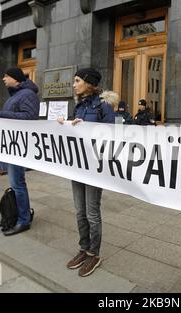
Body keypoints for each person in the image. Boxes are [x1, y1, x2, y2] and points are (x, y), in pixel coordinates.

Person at [58, 67, 115, 277]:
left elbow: (110, 136)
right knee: (79, 211)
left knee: (92, 213)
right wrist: (64, 126)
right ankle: (83, 249)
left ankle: (94, 253)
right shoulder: (79, 105)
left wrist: (87, 128)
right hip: (77, 165)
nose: (74, 85)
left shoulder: (105, 106)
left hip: (94, 168)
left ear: (88, 83)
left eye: (77, 80)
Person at [0, 67, 39, 236]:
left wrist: (3, 114)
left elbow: (30, 117)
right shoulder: (17, 94)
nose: (3, 79)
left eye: (6, 76)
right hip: (12, 145)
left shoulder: (27, 95)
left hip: (19, 147)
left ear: (16, 78)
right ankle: (16, 215)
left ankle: (23, 220)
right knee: (15, 183)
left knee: (18, 184)